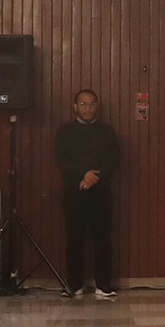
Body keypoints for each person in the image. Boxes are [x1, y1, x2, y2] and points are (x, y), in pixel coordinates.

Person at [55, 87, 119, 300]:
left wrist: (92, 178)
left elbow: (112, 160)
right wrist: (83, 176)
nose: (87, 108)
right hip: (74, 191)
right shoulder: (65, 131)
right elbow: (61, 159)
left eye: (91, 104)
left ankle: (104, 285)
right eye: (83, 104)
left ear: (96, 106)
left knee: (103, 239)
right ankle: (75, 284)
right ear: (75, 107)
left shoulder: (107, 132)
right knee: (74, 239)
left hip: (101, 192)